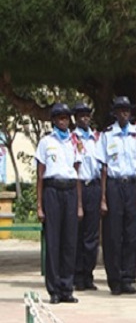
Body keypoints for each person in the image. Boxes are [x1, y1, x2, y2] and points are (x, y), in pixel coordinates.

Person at [36, 103, 83, 304]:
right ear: (54, 120)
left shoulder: (74, 141)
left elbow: (77, 173)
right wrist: (39, 205)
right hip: (52, 190)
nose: (63, 121)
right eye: (60, 118)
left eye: (66, 118)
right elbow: (40, 175)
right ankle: (54, 289)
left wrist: (79, 204)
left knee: (69, 242)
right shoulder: (46, 142)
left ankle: (67, 287)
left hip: (70, 190)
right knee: (54, 241)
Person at [98, 96, 136, 295]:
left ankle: (128, 278)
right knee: (113, 235)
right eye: (120, 110)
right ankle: (114, 279)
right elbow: (104, 169)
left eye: (127, 110)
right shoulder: (107, 135)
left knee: (131, 235)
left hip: (131, 185)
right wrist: (104, 198)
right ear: (115, 113)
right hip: (114, 186)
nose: (124, 113)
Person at [72, 102, 102, 291]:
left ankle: (88, 275)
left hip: (94, 187)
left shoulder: (96, 138)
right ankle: (77, 274)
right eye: (81, 115)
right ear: (76, 118)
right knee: (77, 234)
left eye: (87, 115)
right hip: (79, 186)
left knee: (92, 236)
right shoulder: (72, 138)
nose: (84, 118)